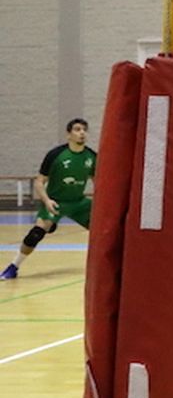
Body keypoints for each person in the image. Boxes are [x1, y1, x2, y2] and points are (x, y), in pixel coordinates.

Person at [2, 119, 97, 280]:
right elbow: (39, 182)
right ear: (68, 134)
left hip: (80, 203)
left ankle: (108, 267)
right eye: (77, 129)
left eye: (84, 130)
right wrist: (46, 201)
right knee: (36, 234)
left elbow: (98, 181)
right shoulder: (56, 155)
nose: (82, 133)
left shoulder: (91, 156)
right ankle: (13, 266)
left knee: (105, 231)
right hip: (55, 202)